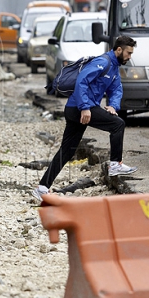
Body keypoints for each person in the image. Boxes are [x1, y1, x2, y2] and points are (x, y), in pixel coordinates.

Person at [32, 35, 138, 202]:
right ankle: (115, 164)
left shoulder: (114, 67)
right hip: (79, 108)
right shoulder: (103, 62)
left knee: (67, 151)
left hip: (79, 108)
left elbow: (116, 89)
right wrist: (85, 108)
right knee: (117, 124)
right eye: (128, 53)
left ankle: (42, 188)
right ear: (119, 50)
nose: (130, 57)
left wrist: (113, 106)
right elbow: (81, 81)